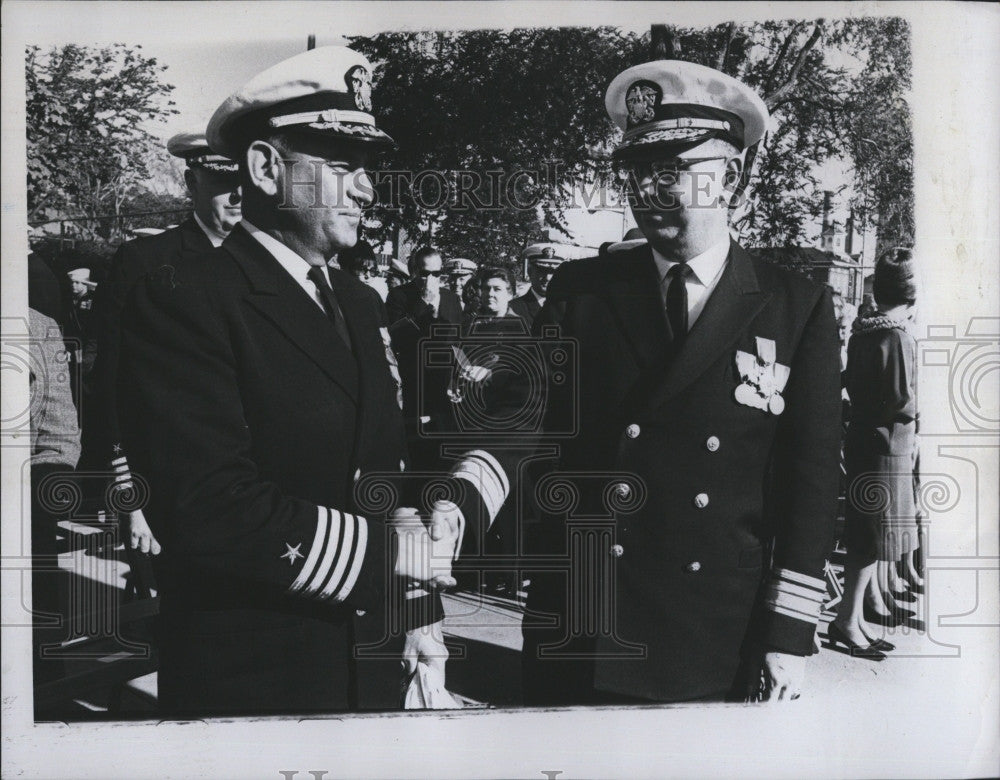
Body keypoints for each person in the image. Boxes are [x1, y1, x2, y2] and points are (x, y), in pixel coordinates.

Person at [431, 59, 841, 704]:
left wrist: (787, 633)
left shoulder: (797, 307)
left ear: (728, 177)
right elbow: (528, 417)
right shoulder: (582, 291)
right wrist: (461, 499)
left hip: (712, 626)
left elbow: (810, 483)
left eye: (672, 170)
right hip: (584, 613)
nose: (649, 191)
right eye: (637, 172)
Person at [116, 46, 454, 715]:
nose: (365, 188)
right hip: (254, 672)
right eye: (341, 167)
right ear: (268, 170)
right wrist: (391, 559)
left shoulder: (358, 301)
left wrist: (420, 609)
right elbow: (207, 504)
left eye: (367, 170)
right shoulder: (185, 296)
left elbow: (382, 470)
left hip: (369, 661)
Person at [89, 131, 242, 560]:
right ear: (192, 183)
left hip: (257, 489)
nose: (238, 194)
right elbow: (111, 380)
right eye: (223, 181)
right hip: (169, 485)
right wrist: (128, 495)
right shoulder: (145, 261)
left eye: (246, 178)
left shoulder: (268, 265)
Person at [831, 249, 920, 657]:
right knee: (871, 540)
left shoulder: (865, 331)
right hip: (889, 447)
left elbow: (851, 381)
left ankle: (853, 619)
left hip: (868, 441)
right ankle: (848, 621)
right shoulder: (897, 336)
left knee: (866, 539)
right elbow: (901, 400)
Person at [386, 246, 463, 327]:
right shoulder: (398, 295)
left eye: (436, 273)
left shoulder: (452, 298)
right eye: (425, 274)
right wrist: (423, 302)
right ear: (416, 270)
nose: (430, 278)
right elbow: (397, 331)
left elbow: (457, 333)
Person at [509, 244, 568, 329]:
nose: (547, 278)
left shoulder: (569, 307)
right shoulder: (514, 308)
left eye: (552, 272)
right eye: (542, 271)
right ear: (530, 272)